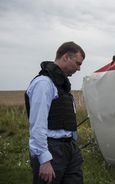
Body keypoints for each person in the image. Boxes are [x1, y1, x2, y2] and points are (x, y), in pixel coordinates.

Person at [25, 41, 85, 184]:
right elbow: (37, 124)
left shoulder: (61, 85)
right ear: (65, 57)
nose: (79, 69)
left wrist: (73, 146)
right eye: (77, 63)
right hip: (52, 150)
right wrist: (44, 159)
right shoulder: (44, 84)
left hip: (69, 149)